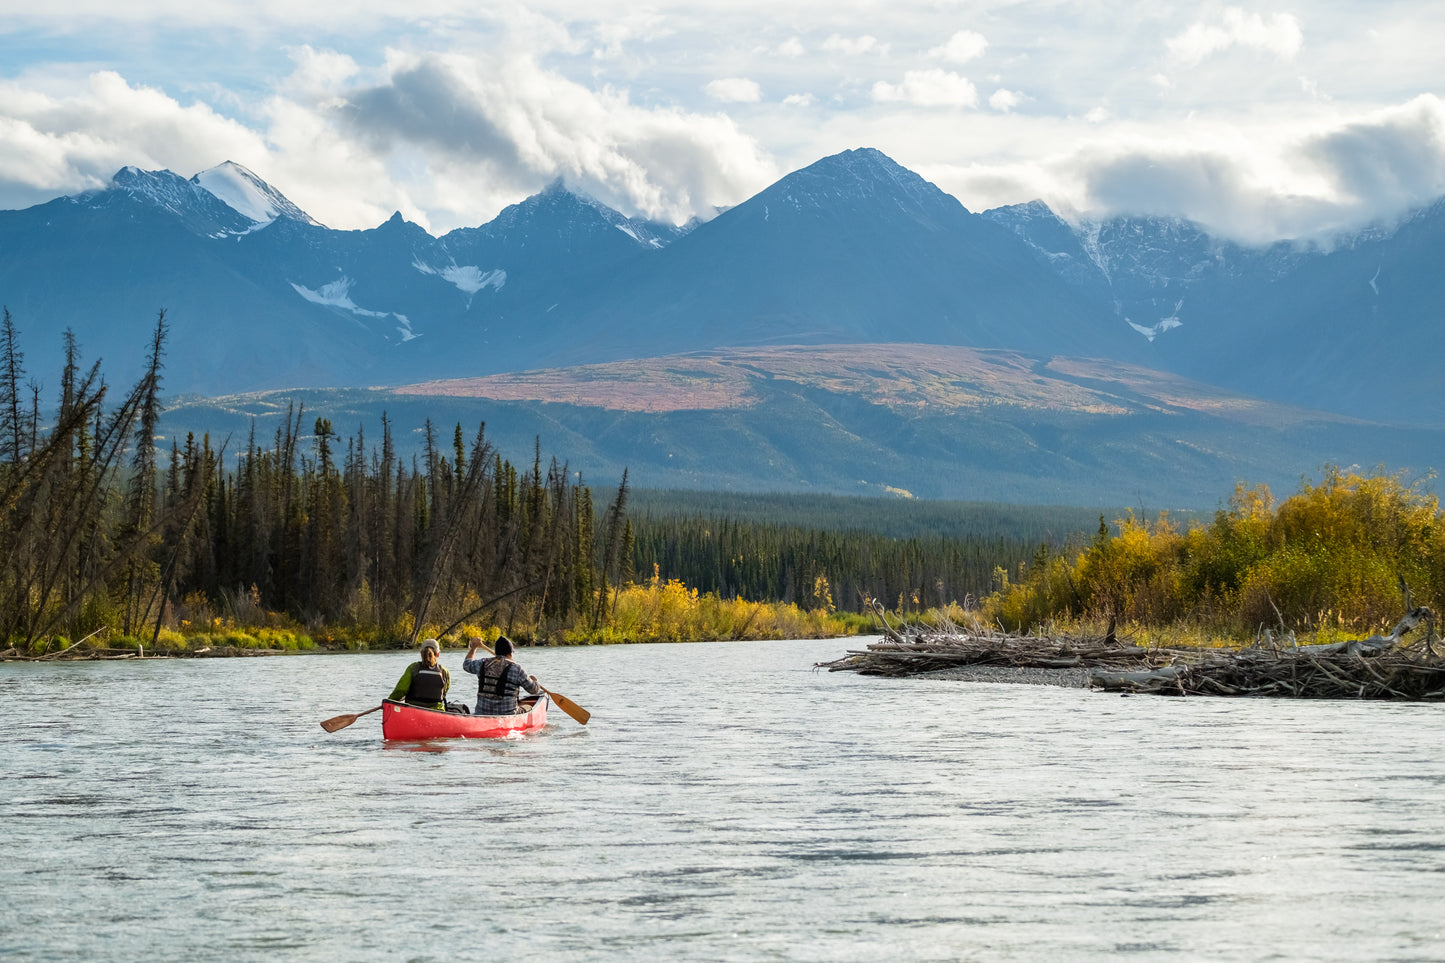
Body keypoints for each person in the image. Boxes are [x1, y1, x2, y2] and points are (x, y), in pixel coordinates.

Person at [463, 635, 542, 716]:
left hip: (482, 714)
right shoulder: (517, 669)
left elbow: (466, 665)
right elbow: (534, 690)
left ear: (496, 652)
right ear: (510, 654)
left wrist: (473, 648)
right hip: (508, 715)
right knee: (528, 707)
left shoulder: (482, 663)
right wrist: (535, 681)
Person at [387, 638, 451, 711]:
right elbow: (444, 692)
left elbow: (401, 690)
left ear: (421, 653)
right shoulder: (444, 671)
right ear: (438, 654)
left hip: (413, 709)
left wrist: (390, 701)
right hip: (437, 711)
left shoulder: (413, 668)